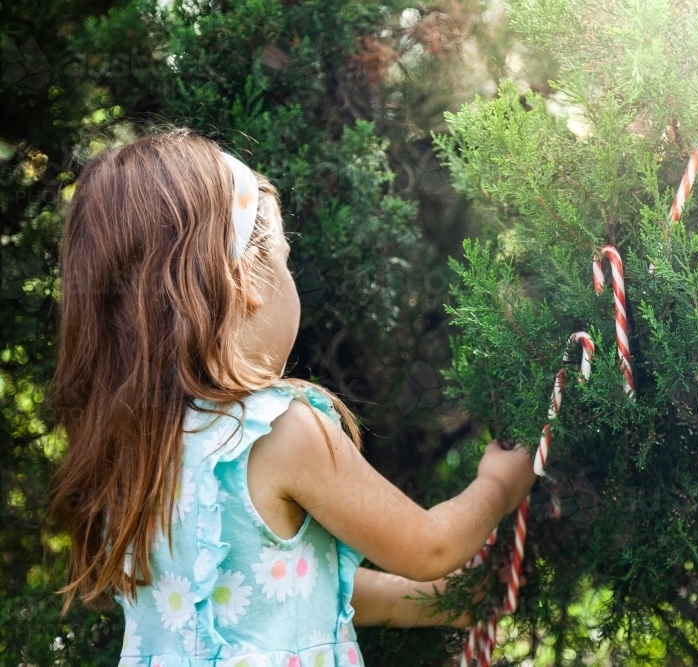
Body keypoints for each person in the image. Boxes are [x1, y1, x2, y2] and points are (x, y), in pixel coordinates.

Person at [49, 129, 537, 667]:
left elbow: (281, 588)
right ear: (246, 279)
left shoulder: (133, 450)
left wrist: (446, 603)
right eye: (282, 257)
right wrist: (498, 485)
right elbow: (429, 547)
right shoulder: (278, 430)